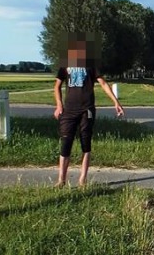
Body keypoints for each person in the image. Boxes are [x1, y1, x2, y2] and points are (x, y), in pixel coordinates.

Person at [53, 39, 124, 187]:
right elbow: (57, 86)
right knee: (66, 143)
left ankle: (82, 180)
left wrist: (116, 102)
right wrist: (59, 105)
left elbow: (103, 83)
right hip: (69, 110)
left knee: (86, 143)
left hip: (87, 109)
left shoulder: (91, 65)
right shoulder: (65, 64)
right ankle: (61, 180)